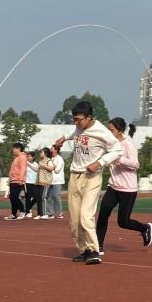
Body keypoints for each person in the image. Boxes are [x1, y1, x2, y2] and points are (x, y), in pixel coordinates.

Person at [54, 101, 123, 265]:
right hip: (74, 176)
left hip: (92, 177)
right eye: (74, 119)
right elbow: (74, 133)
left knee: (86, 215)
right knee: (74, 220)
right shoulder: (79, 128)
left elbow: (118, 150)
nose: (76, 123)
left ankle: (94, 251)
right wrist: (64, 138)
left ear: (89, 117)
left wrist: (100, 163)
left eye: (79, 119)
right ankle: (84, 250)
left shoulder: (101, 131)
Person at [95, 118, 152, 253]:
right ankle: (98, 246)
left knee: (123, 222)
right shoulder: (109, 145)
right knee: (103, 215)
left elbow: (135, 164)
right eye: (108, 130)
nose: (109, 133)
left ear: (120, 131)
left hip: (128, 189)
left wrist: (119, 159)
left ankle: (144, 228)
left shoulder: (128, 145)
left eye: (111, 130)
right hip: (113, 186)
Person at [6, 143, 28, 220]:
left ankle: (22, 211)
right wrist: (10, 179)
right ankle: (13, 214)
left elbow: (23, 169)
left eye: (14, 149)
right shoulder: (17, 158)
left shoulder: (22, 157)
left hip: (18, 180)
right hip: (13, 180)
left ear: (18, 148)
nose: (13, 150)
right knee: (12, 197)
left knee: (13, 196)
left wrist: (21, 179)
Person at [45, 145, 66, 219]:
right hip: (50, 180)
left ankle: (59, 212)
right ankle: (49, 213)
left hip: (57, 181)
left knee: (56, 196)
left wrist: (51, 164)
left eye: (52, 148)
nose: (50, 149)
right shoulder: (50, 158)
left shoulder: (59, 159)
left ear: (56, 150)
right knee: (48, 197)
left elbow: (57, 170)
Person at [24, 150, 44, 219]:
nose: (29, 157)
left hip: (35, 183)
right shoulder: (25, 164)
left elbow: (36, 170)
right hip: (27, 182)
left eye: (30, 156)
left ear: (33, 157)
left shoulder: (36, 164)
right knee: (28, 197)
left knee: (36, 197)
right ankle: (28, 212)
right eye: (28, 156)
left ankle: (28, 207)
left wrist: (29, 165)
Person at [36, 148, 55, 219]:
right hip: (39, 181)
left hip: (46, 181)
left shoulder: (49, 161)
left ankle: (45, 213)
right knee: (39, 198)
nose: (40, 154)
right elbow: (37, 169)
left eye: (41, 152)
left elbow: (51, 168)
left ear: (46, 153)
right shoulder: (40, 161)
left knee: (43, 197)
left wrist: (43, 165)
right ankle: (40, 214)